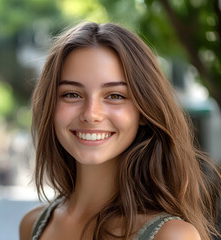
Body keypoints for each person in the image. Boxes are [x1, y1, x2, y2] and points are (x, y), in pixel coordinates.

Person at [19, 22, 221, 240]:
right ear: (50, 105)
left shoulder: (172, 236)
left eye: (115, 96)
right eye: (72, 94)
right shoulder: (32, 225)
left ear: (143, 111)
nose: (91, 114)